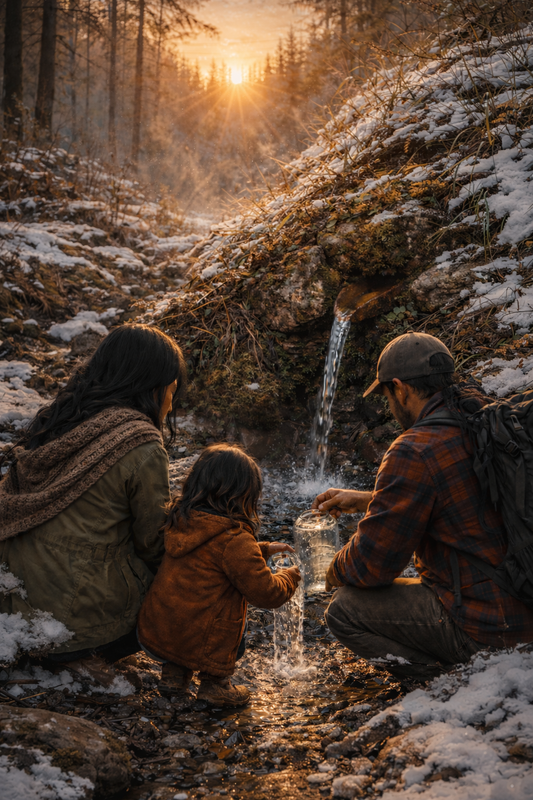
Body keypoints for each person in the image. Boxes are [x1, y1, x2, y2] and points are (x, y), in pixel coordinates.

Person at [312, 331, 533, 681]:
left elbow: (372, 567)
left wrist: (328, 568)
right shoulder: (482, 419)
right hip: (524, 604)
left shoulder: (414, 449)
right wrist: (371, 500)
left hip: (490, 628)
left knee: (345, 610)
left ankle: (443, 681)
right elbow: (463, 495)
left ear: (400, 389)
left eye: (387, 395)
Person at [0, 324, 186, 686]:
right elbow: (154, 543)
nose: (171, 402)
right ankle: (80, 653)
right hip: (71, 618)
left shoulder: (63, 418)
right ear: (152, 386)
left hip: (15, 605)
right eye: (172, 390)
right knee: (194, 575)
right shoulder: (141, 444)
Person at [137, 443, 301, 706]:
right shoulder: (234, 539)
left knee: (192, 605)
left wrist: (264, 549)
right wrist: (289, 575)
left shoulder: (181, 519)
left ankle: (174, 675)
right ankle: (216, 685)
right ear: (244, 495)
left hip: (161, 631)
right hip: (203, 639)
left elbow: (212, 558)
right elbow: (266, 592)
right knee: (227, 615)